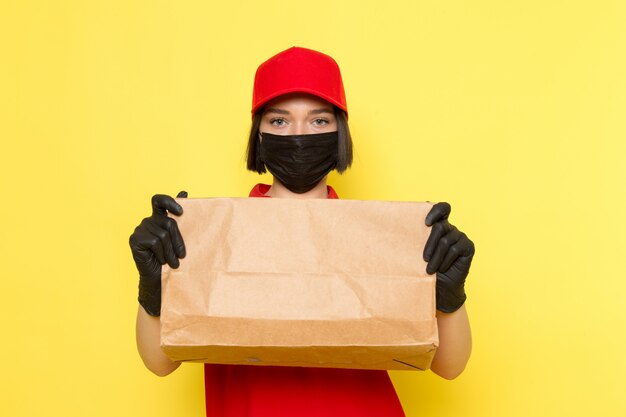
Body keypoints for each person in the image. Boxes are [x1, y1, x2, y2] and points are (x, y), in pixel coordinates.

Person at [130, 46, 474, 417]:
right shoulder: (211, 234)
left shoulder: (382, 238)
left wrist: (450, 292)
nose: (298, 134)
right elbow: (160, 363)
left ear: (339, 133)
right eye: (279, 121)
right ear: (258, 137)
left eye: (319, 121)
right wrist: (152, 286)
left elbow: (449, 367)